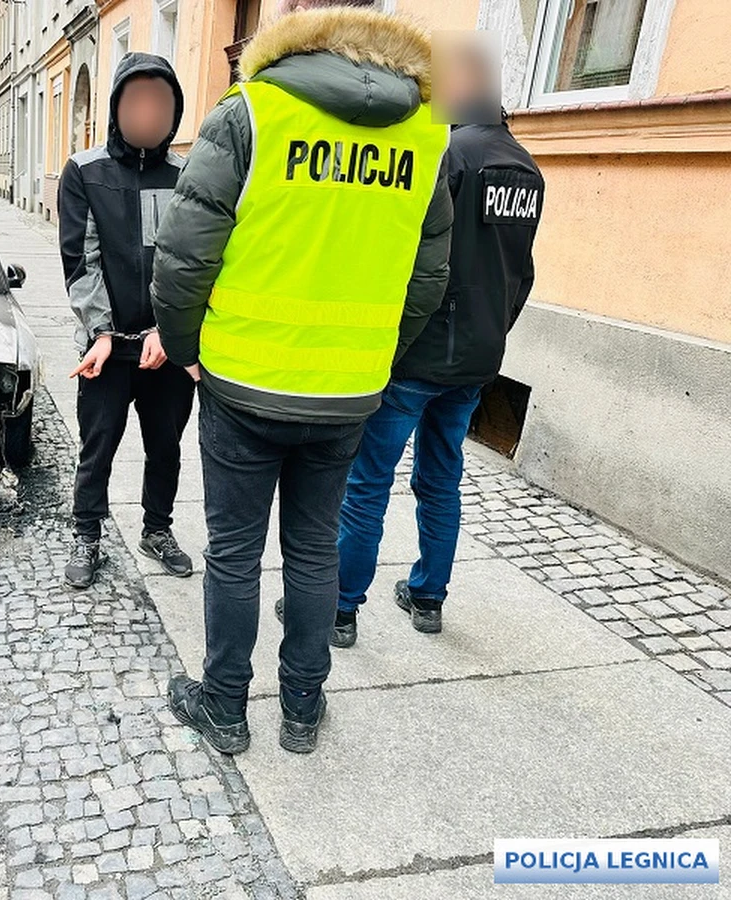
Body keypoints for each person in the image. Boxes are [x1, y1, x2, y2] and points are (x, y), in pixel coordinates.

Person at [151, 0, 453, 754]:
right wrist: (374, 357)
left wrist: (188, 348)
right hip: (347, 391)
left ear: (292, 24)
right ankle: (303, 709)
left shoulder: (250, 112)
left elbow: (183, 260)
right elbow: (429, 277)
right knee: (315, 550)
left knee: (233, 552)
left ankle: (224, 707)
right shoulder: (428, 134)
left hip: (243, 382)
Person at [331, 42, 544, 645]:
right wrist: (493, 332)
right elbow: (520, 273)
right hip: (478, 358)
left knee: (367, 481)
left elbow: (414, 256)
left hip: (420, 353)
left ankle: (341, 610)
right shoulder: (528, 168)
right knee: (442, 477)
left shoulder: (447, 153)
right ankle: (428, 598)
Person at [57, 53, 195, 590]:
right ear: (116, 107)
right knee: (99, 444)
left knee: (166, 445)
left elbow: (190, 261)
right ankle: (86, 532)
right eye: (136, 99)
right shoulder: (85, 172)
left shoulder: (187, 175)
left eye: (161, 101)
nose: (149, 110)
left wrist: (170, 327)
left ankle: (156, 529)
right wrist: (101, 332)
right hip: (107, 348)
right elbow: (81, 259)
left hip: (168, 348)